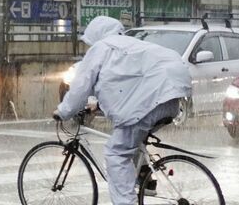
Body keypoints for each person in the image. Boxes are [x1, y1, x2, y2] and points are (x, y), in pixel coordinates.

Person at [53, 16, 192, 205]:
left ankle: (127, 201)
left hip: (150, 102)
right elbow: (125, 83)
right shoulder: (131, 45)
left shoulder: (101, 48)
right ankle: (144, 177)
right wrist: (98, 105)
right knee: (130, 142)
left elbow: (81, 86)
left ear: (96, 35)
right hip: (171, 99)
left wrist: (63, 111)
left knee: (116, 154)